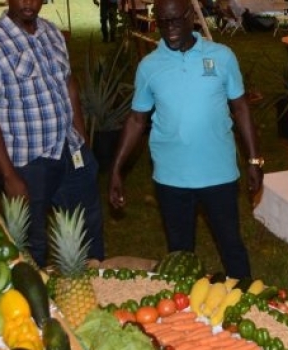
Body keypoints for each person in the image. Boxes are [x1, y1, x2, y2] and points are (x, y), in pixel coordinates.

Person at [108, 0, 262, 280]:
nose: (170, 29)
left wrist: (254, 159)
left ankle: (245, 301)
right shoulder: (149, 66)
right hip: (171, 177)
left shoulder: (222, 56)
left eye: (176, 20)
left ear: (191, 16)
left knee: (231, 245)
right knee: (180, 255)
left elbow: (240, 107)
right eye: (163, 22)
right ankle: (186, 312)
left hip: (218, 174)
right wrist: (117, 170)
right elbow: (136, 119)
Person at [0, 0, 106, 267]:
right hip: (27, 163)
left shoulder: (52, 33)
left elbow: (69, 86)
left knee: (87, 233)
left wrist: (82, 142)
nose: (28, 3)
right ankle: (39, 304)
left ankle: (93, 296)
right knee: (33, 246)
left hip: (70, 150)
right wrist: (8, 175)